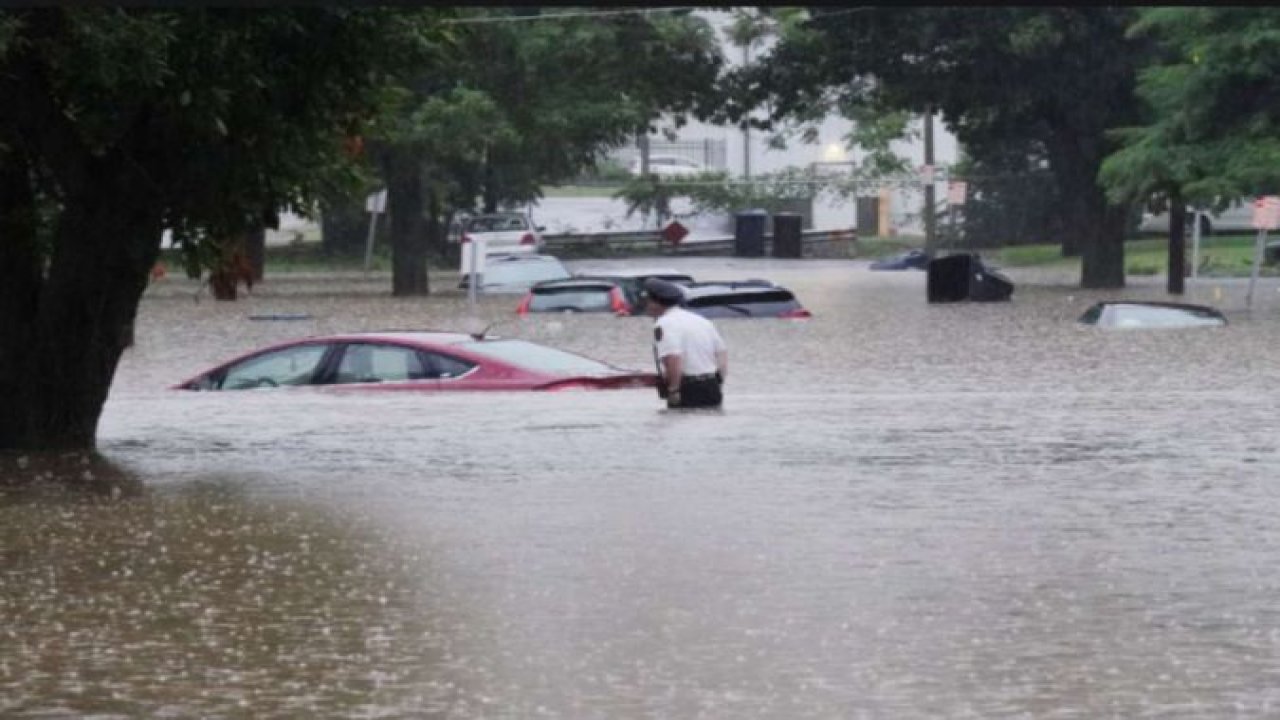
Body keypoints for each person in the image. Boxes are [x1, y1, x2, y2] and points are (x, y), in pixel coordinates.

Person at [643, 277, 728, 409]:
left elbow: (673, 357)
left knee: (679, 426)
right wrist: (719, 381)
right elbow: (722, 353)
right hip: (712, 387)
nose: (646, 305)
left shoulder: (665, 323)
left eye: (648, 301)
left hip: (688, 389)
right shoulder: (701, 320)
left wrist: (674, 390)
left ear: (657, 303)